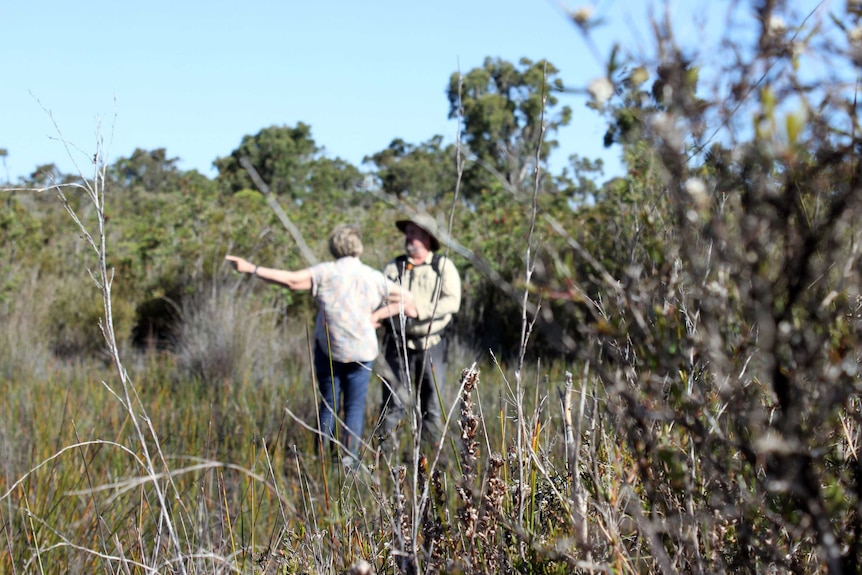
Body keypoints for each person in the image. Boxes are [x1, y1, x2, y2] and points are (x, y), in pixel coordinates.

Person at [226, 224, 415, 466]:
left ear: (334, 246)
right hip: (362, 352)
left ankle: (320, 461)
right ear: (358, 247)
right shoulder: (373, 277)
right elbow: (407, 300)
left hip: (330, 349)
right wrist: (377, 315)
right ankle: (349, 462)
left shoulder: (326, 272)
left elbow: (292, 281)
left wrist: (251, 268)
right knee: (354, 408)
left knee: (328, 404)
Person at [375, 213, 462, 453]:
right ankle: (386, 461)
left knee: (432, 405)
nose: (408, 237)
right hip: (396, 344)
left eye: (414, 233)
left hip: (431, 344)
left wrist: (418, 310)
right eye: (408, 232)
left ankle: (433, 461)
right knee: (393, 405)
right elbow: (379, 296)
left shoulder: (442, 266)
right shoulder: (394, 267)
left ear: (427, 238)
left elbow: (452, 302)